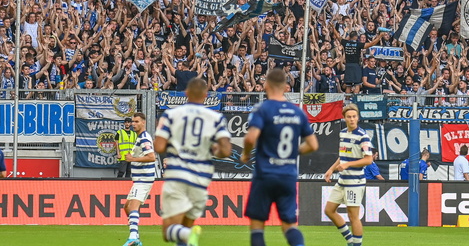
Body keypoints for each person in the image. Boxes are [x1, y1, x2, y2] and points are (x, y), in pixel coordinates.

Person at [241, 68, 319, 246]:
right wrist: (293, 152)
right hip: (288, 175)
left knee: (257, 226)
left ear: (266, 85)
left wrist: (245, 154)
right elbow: (313, 145)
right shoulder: (297, 112)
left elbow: (251, 137)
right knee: (289, 225)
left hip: (265, 174)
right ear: (285, 87)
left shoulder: (263, 109)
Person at [154, 78, 232, 246]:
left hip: (177, 175)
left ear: (186, 93)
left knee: (169, 232)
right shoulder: (216, 118)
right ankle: (188, 233)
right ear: (206, 96)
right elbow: (226, 151)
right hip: (201, 177)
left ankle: (187, 234)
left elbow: (159, 147)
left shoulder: (171, 115)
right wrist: (211, 149)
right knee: (187, 225)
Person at [324, 104, 373, 246]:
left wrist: (348, 165)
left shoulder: (363, 137)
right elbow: (343, 156)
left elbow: (368, 159)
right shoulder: (343, 133)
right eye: (349, 117)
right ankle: (351, 241)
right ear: (344, 118)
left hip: (355, 181)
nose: (352, 119)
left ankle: (356, 244)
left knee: (353, 217)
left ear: (358, 118)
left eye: (354, 117)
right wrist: (331, 169)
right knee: (329, 210)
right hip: (342, 180)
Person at [121, 112, 156, 246]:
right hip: (139, 179)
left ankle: (133, 237)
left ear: (143, 122)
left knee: (133, 206)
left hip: (144, 178)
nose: (133, 124)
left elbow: (151, 157)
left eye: (136, 122)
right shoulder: (140, 137)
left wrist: (132, 159)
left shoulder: (144, 138)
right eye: (132, 122)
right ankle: (136, 237)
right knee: (127, 207)